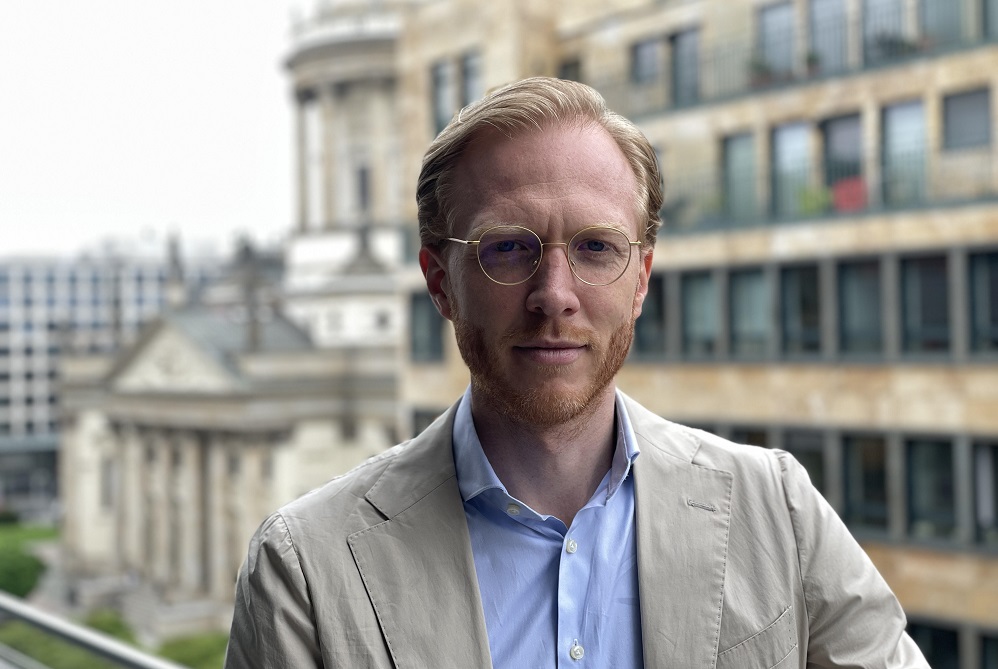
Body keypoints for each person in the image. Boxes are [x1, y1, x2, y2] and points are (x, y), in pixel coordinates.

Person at [225, 77, 928, 668]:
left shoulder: (778, 510)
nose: (554, 294)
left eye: (596, 247)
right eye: (508, 248)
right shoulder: (305, 570)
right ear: (440, 281)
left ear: (641, 278)